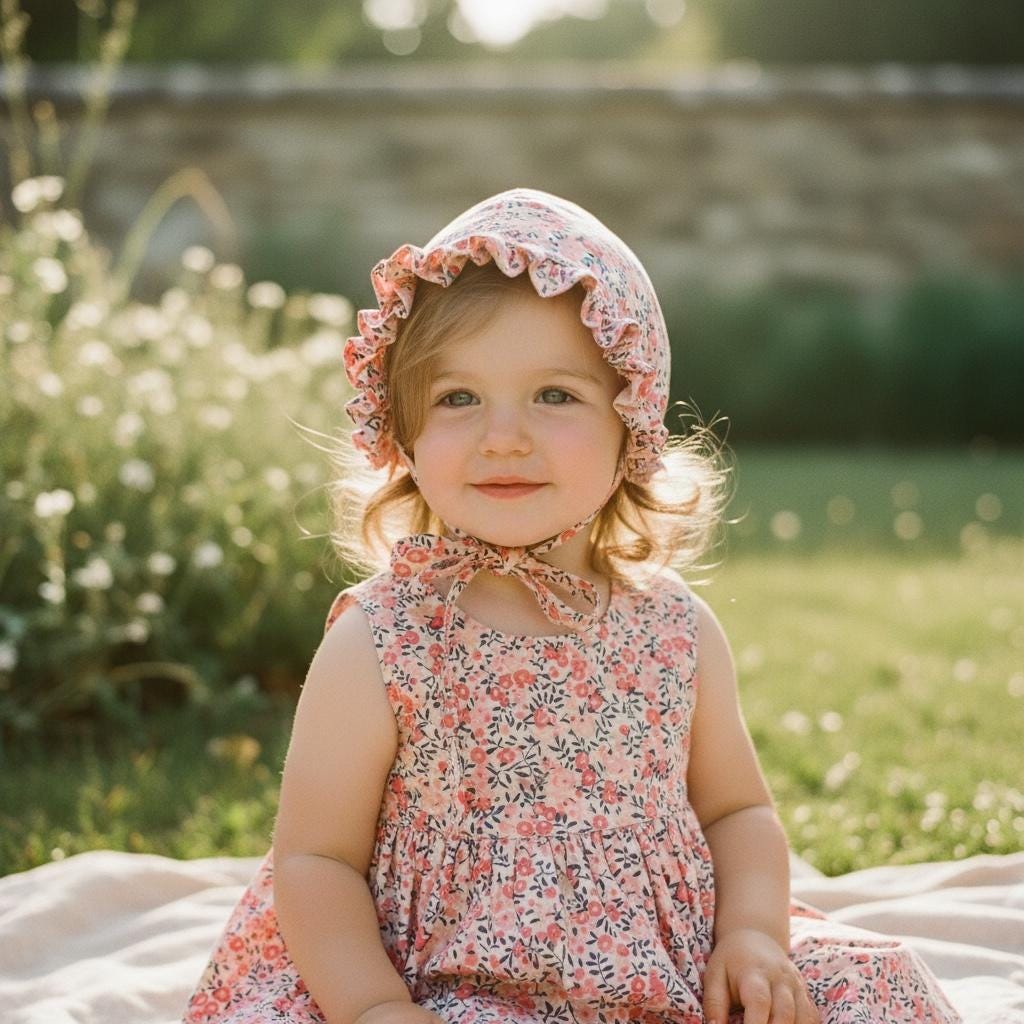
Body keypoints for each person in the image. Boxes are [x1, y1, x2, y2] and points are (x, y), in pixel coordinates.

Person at [182, 187, 961, 1024]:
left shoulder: (674, 629)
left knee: (873, 988)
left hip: (671, 970)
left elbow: (739, 812)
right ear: (403, 434)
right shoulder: (385, 640)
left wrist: (752, 938)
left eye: (554, 395)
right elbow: (316, 861)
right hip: (452, 987)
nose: (503, 437)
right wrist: (375, 1007)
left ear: (633, 425)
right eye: (457, 398)